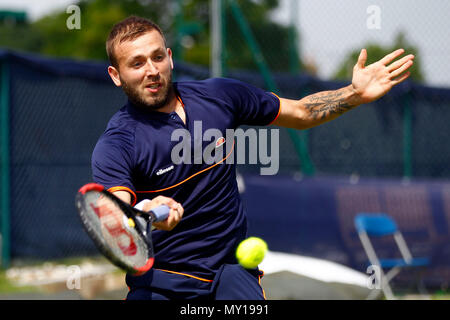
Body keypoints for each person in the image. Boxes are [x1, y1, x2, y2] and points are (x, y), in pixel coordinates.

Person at [92, 15, 414, 300]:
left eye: (157, 57)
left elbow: (301, 113)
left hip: (231, 272)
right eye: (136, 63)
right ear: (116, 75)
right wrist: (144, 211)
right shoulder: (118, 141)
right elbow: (116, 214)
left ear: (170, 58)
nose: (151, 70)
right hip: (163, 283)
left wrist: (354, 94)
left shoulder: (220, 96)